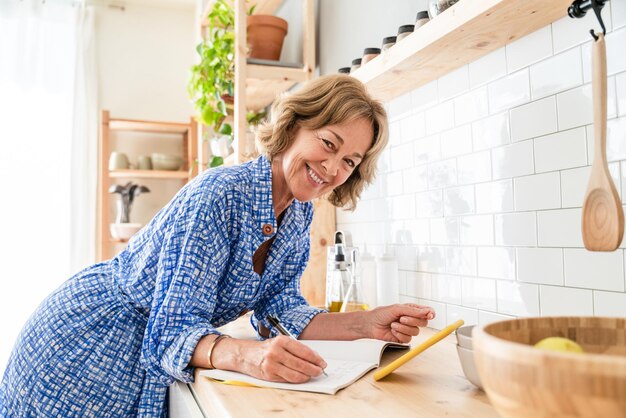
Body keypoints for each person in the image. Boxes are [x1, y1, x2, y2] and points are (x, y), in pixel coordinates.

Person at [0, 74, 435, 417]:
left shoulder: (299, 213)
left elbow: (280, 312)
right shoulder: (220, 194)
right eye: (328, 144)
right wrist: (245, 356)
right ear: (296, 125)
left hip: (138, 358)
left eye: (349, 162)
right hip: (86, 349)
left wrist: (365, 324)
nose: (333, 167)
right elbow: (171, 330)